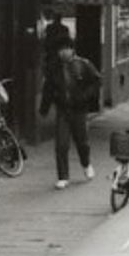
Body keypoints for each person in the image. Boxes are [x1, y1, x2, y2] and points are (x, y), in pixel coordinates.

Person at [40, 44, 101, 189]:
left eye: (65, 49)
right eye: (60, 50)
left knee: (82, 142)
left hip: (79, 110)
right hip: (63, 110)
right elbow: (48, 89)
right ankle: (63, 176)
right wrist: (44, 108)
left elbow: (96, 81)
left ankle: (86, 164)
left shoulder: (83, 64)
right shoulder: (54, 68)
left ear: (72, 50)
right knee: (61, 144)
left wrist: (86, 96)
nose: (63, 52)